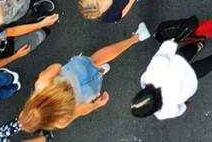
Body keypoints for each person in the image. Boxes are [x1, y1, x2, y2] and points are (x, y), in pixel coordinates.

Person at [15, 29, 147, 134]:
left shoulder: (60, 120)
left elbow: (82, 110)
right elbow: (57, 66)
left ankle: (100, 72)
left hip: (86, 91)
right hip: (75, 71)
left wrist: (96, 104)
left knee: (96, 77)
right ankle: (136, 37)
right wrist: (43, 74)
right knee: (95, 59)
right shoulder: (40, 85)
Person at [130, 34, 212, 120]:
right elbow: (163, 56)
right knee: (188, 51)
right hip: (179, 63)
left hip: (190, 81)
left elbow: (180, 109)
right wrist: (170, 42)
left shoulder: (163, 112)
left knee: (206, 65)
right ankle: (198, 45)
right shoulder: (151, 76)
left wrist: (183, 104)